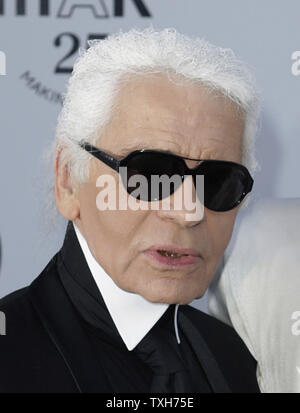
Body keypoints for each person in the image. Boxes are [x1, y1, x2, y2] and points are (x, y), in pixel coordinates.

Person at [0, 27, 261, 393]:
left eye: (217, 181)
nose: (188, 211)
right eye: (151, 173)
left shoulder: (235, 360)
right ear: (67, 180)